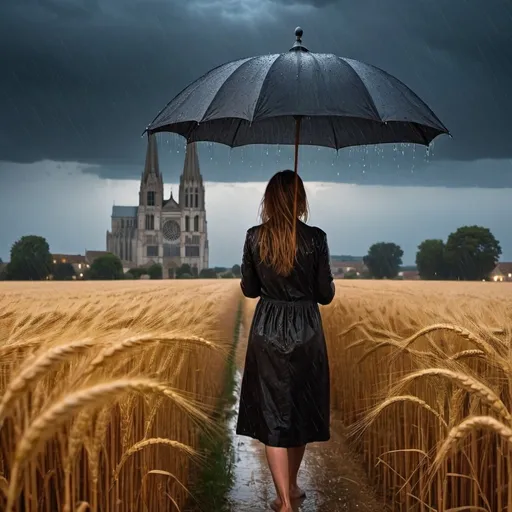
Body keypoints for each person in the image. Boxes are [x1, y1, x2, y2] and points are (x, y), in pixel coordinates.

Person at [236, 170, 335, 512]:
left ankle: (283, 497)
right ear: (300, 199)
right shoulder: (317, 238)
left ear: (269, 199)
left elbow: (249, 290)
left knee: (273, 414)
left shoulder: (253, 237)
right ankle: (291, 488)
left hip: (268, 330)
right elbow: (325, 295)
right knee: (300, 411)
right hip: (306, 330)